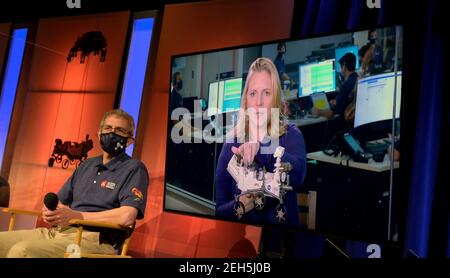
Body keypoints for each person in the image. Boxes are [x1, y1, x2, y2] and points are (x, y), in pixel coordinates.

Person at [0, 109, 150, 258]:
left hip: (95, 241)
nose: (112, 133)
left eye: (120, 130)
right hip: (59, 232)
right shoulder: (87, 165)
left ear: (130, 140)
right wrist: (52, 212)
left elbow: (127, 216)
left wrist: (78, 215)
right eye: (108, 128)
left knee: (22, 251)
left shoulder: (134, 168)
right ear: (98, 133)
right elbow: (60, 202)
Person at [215, 57, 306, 227]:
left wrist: (262, 147)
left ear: (276, 98)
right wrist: (240, 205)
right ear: (246, 100)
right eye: (253, 94)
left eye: (267, 93)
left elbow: (299, 174)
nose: (258, 102)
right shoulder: (232, 143)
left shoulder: (291, 134)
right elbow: (219, 210)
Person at [311, 52, 358, 122]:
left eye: (341, 67)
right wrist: (337, 101)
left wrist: (318, 111)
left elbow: (330, 114)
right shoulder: (358, 79)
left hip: (345, 124)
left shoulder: (346, 85)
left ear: (344, 67)